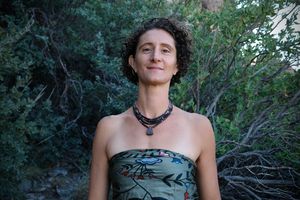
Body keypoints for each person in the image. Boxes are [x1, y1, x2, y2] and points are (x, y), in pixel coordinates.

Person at [88, 18, 221, 200]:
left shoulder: (199, 127)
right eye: (146, 49)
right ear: (133, 62)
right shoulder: (108, 127)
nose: (156, 57)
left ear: (177, 65)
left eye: (165, 50)